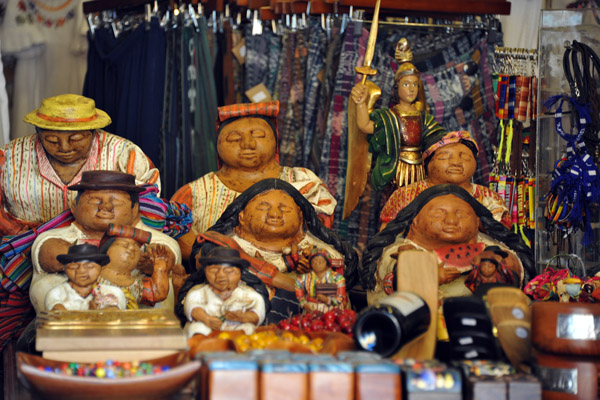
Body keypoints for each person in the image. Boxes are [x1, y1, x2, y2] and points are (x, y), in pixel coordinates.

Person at [171, 101, 337, 259]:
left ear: (275, 140)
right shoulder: (194, 192)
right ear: (218, 144)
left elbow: (322, 230)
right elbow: (177, 235)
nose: (247, 144)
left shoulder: (303, 180)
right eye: (234, 139)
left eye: (258, 135)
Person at [183, 178, 358, 323]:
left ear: (300, 216)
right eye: (263, 207)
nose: (275, 214)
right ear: (241, 216)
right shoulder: (223, 245)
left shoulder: (321, 252)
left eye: (285, 209)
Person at [0, 94, 159, 236]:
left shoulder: (124, 154)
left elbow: (150, 204)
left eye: (75, 139)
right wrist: (16, 233)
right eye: (52, 140)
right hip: (20, 246)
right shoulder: (8, 157)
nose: (65, 148)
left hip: (107, 247)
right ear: (38, 132)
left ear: (93, 132)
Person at [30, 170, 181, 313]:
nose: (105, 207)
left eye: (116, 202)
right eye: (95, 200)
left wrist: (154, 263)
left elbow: (167, 260)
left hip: (138, 320)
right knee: (49, 285)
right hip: (72, 324)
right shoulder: (54, 238)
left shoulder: (156, 240)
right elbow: (49, 255)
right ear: (75, 207)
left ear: (135, 209)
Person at [360, 184, 533, 306]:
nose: (451, 220)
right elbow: (395, 278)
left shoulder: (489, 246)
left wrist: (499, 266)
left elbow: (514, 266)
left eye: (461, 214)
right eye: (438, 214)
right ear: (415, 221)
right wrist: (429, 276)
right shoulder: (397, 249)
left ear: (477, 222)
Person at [350, 38, 446, 191]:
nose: (412, 89)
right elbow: (365, 125)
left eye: (415, 84)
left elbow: (439, 139)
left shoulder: (424, 118)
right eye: (406, 84)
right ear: (396, 87)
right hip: (396, 170)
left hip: (420, 171)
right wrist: (361, 104)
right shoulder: (389, 117)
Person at [379, 130, 510, 230]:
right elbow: (386, 234)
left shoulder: (489, 196)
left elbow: (503, 235)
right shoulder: (405, 195)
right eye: (444, 157)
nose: (456, 163)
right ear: (427, 164)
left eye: (465, 157)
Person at [181, 247, 268, 338]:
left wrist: (242, 317)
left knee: (249, 328)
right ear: (205, 271)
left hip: (236, 331)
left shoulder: (250, 295)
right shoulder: (198, 292)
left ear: (240, 273)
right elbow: (193, 309)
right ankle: (199, 348)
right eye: (214, 271)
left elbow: (257, 315)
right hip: (208, 330)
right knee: (197, 327)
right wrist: (206, 319)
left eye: (229, 271)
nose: (221, 275)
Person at [98, 224, 186, 309]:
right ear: (108, 250)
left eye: (136, 248)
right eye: (124, 245)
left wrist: (160, 264)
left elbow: (158, 293)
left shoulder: (135, 286)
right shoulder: (95, 276)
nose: (132, 249)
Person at [45, 244, 127, 311]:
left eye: (89, 266)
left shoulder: (113, 292)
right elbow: (60, 317)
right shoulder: (57, 293)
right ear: (65, 268)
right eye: (73, 267)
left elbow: (112, 314)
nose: (81, 271)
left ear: (100, 269)